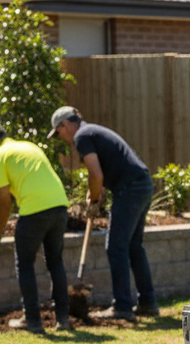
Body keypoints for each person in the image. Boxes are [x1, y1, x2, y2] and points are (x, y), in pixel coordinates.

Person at [49, 106, 157, 321]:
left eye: (58, 132)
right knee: (134, 247)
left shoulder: (82, 136)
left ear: (65, 125)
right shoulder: (93, 131)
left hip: (130, 188)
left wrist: (95, 197)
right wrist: (95, 195)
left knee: (116, 246)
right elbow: (107, 169)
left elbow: (96, 175)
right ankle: (147, 303)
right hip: (142, 184)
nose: (60, 137)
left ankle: (122, 307)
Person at [0, 121, 70, 334]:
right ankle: (63, 319)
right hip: (60, 206)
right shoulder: (29, 146)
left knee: (25, 263)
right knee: (55, 262)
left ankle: (33, 320)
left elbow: (3, 198)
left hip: (35, 211)